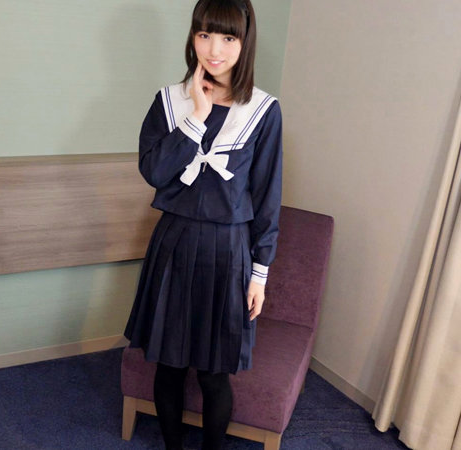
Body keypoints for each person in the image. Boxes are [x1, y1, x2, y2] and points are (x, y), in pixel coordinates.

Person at [123, 0, 282, 448]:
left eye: (228, 38)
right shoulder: (169, 101)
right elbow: (155, 172)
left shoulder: (264, 110)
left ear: (245, 42)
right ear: (192, 37)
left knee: (214, 374)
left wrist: (260, 273)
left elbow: (268, 197)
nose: (214, 50)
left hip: (228, 252)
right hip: (173, 245)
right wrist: (196, 115)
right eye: (205, 35)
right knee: (169, 366)